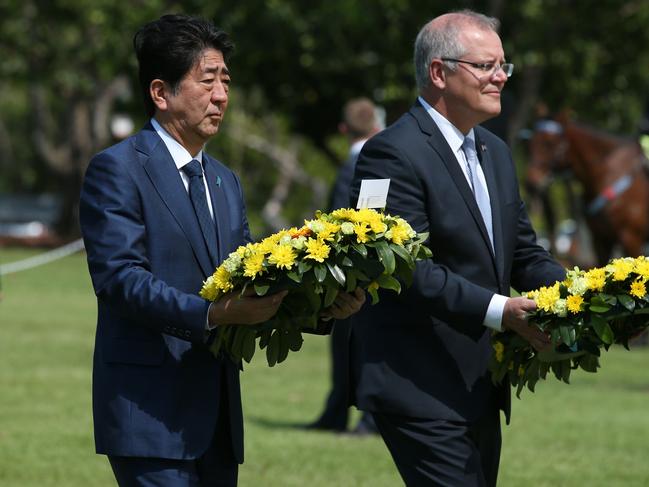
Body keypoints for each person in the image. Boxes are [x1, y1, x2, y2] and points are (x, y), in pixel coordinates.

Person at [79, 14, 364, 487]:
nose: (221, 96)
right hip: (148, 413)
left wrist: (324, 309)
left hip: (218, 420)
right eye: (206, 80)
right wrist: (213, 315)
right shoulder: (118, 170)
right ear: (160, 92)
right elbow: (120, 280)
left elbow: (251, 280)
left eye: (225, 81)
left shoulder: (226, 181)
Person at [349, 10, 565, 486]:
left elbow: (524, 254)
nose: (500, 77)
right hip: (417, 386)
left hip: (479, 385)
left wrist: (585, 298)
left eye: (504, 66)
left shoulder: (496, 152)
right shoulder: (390, 153)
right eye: (486, 66)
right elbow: (402, 269)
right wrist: (502, 310)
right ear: (438, 73)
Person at [307, 98, 382, 435]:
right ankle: (337, 411)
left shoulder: (355, 165)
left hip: (349, 276)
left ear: (343, 130)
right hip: (372, 271)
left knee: (353, 347)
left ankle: (364, 415)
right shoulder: (383, 161)